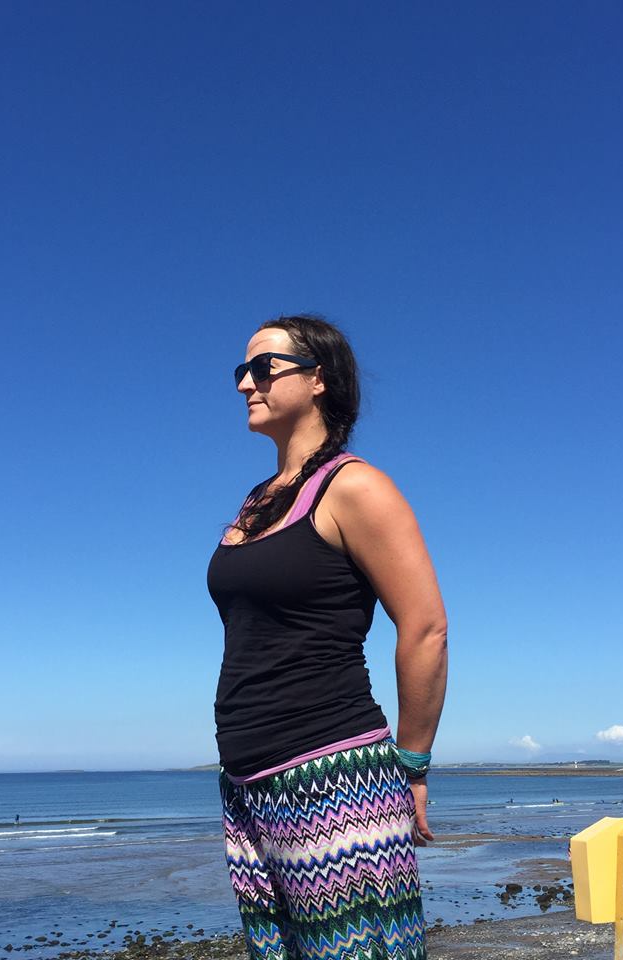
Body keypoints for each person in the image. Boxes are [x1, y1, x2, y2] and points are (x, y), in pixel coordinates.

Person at [207, 315, 448, 960]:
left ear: (318, 379)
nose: (244, 384)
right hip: (245, 779)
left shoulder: (356, 488)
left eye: (263, 368)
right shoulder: (258, 500)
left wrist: (414, 763)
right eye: (241, 371)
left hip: (333, 776)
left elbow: (425, 629)